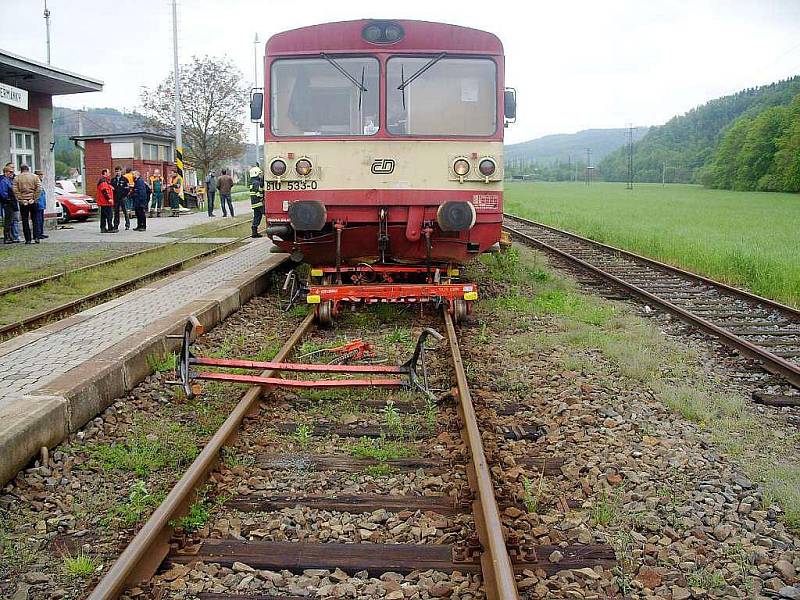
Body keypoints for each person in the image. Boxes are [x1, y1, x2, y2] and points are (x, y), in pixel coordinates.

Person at [12, 164, 42, 244]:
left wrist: (21, 200)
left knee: (25, 220)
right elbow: (39, 188)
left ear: (21, 169)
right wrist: (34, 198)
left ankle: (28, 239)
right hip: (33, 200)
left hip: (23, 201)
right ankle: (36, 237)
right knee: (35, 219)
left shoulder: (17, 178)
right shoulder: (35, 177)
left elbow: (15, 190)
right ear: (28, 169)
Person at [0, 163, 19, 244]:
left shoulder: (10, 180)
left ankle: (10, 236)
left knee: (11, 220)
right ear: (6, 172)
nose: (12, 173)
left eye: (12, 172)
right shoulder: (4, 181)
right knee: (8, 221)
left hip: (11, 202)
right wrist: (9, 199)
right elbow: (3, 192)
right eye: (10, 172)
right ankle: (6, 237)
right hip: (7, 203)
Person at [110, 166, 129, 232]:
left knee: (125, 211)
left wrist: (124, 195)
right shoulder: (113, 180)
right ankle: (116, 225)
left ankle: (127, 224)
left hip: (123, 198)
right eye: (116, 171)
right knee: (116, 212)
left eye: (118, 171)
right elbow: (111, 189)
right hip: (116, 198)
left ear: (121, 171)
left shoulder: (125, 179)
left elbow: (127, 189)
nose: (117, 172)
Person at [96, 168, 115, 233]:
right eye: (108, 172)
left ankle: (103, 228)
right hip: (106, 202)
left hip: (103, 202)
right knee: (109, 216)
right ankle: (110, 228)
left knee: (103, 216)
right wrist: (109, 199)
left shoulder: (104, 181)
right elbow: (104, 191)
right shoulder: (103, 181)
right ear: (105, 173)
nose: (109, 173)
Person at [249, 166, 264, 238]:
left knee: (257, 217)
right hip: (259, 203)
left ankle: (254, 233)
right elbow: (259, 194)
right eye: (259, 174)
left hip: (255, 203)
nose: (260, 176)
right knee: (268, 215)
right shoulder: (256, 183)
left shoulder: (252, 182)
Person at [33, 170, 46, 241]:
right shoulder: (35, 183)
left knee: (41, 219)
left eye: (42, 174)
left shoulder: (40, 183)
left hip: (42, 204)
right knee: (38, 219)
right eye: (40, 174)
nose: (42, 176)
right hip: (38, 203)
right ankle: (38, 234)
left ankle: (41, 233)